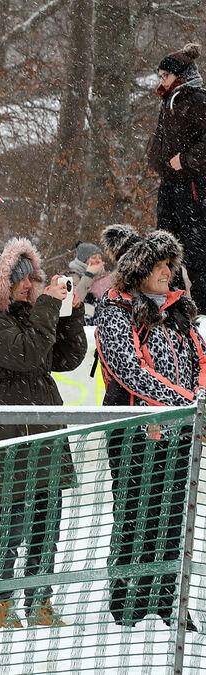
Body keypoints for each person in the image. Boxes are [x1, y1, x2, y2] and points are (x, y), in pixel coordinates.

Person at [0, 240, 86, 629]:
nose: (28, 285)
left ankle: (40, 601)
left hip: (46, 428)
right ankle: (0, 600)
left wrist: (71, 314)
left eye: (30, 278)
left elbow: (66, 358)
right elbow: (26, 354)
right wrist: (48, 308)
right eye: (18, 279)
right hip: (11, 431)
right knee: (12, 522)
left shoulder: (35, 316)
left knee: (48, 525)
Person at [95, 224, 205, 632]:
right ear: (138, 269)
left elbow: (202, 360)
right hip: (133, 427)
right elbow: (128, 370)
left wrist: (199, 400)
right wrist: (185, 402)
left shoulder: (178, 311)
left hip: (180, 432)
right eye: (158, 265)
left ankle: (168, 599)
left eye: (169, 264)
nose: (166, 272)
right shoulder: (116, 307)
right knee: (136, 514)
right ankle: (128, 604)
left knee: (175, 516)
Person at [148, 43, 206, 305]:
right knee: (165, 244)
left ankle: (203, 305)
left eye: (165, 75)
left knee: (196, 247)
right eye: (159, 76)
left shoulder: (196, 98)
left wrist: (184, 160)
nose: (162, 80)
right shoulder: (168, 99)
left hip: (192, 183)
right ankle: (171, 300)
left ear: (179, 75)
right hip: (169, 182)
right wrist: (156, 160)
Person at [65, 240, 112, 324]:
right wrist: (88, 275)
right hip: (81, 324)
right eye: (94, 258)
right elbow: (74, 300)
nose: (98, 261)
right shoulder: (72, 276)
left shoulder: (106, 277)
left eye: (100, 257)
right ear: (83, 261)